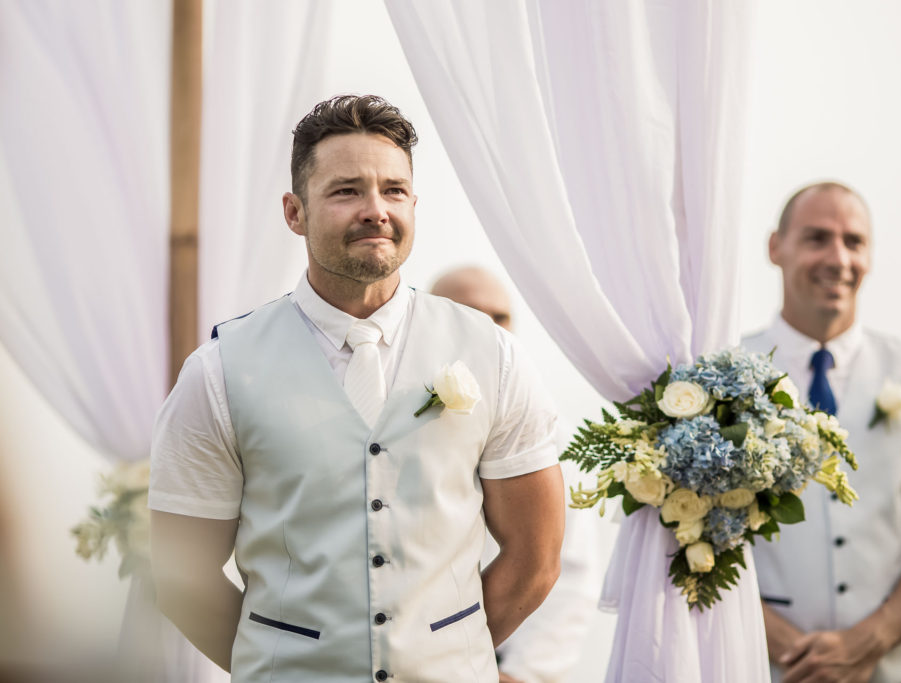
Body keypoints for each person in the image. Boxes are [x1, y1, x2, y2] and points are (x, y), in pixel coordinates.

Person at [148, 95, 565, 683]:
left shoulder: (492, 354)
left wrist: (451, 658)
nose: (376, 210)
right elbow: (181, 576)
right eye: (347, 191)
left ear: (414, 204)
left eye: (394, 190)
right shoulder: (219, 370)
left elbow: (535, 558)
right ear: (294, 212)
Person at [743, 182, 901, 683]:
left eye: (854, 241)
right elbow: (678, 544)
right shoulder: (722, 377)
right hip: (759, 671)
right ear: (775, 247)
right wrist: (786, 649)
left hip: (894, 672)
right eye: (816, 238)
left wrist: (866, 642)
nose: (838, 258)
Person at [431, 266, 606, 683]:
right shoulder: (390, 425)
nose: (488, 330)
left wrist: (522, 675)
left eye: (500, 317)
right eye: (469, 314)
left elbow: (571, 572)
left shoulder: (552, 438)